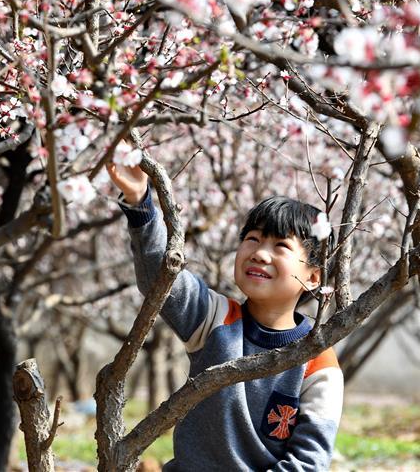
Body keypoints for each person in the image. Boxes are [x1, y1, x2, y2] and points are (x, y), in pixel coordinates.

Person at [107, 160, 344, 471]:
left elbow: (308, 462)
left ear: (314, 277)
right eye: (252, 239)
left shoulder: (317, 361)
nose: (260, 253)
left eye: (281, 246)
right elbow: (162, 278)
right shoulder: (215, 318)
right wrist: (141, 205)